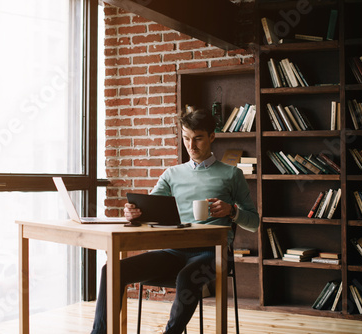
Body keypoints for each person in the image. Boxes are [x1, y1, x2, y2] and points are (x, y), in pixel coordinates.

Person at [91, 109, 259, 334]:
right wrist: (133, 213)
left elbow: (254, 223)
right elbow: (148, 208)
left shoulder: (231, 174)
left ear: (212, 136)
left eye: (198, 138)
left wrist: (232, 211)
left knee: (187, 277)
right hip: (173, 250)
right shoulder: (172, 174)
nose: (191, 145)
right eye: (186, 138)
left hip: (215, 252)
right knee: (111, 270)